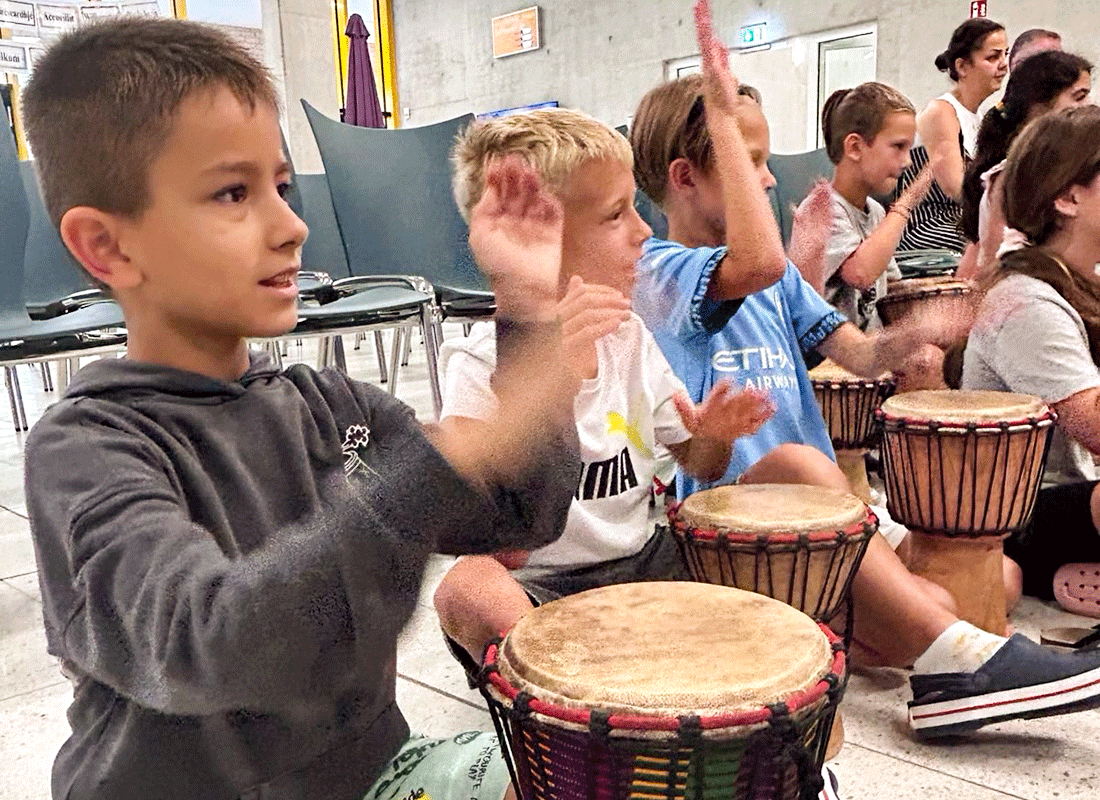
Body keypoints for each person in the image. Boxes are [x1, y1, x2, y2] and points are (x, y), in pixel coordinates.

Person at [20, 18, 584, 800]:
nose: (292, 227)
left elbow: (525, 513)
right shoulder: (86, 450)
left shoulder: (331, 409)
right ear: (109, 247)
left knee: (596, 766)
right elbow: (208, 647)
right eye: (232, 193)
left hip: (377, 778)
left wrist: (526, 311)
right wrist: (426, 474)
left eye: (281, 187)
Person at [629, 0, 1100, 739]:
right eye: (749, 163)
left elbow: (856, 353)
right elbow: (752, 261)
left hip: (825, 526)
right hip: (726, 519)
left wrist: (926, 332)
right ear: (686, 177)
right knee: (803, 466)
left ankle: (871, 642)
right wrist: (722, 112)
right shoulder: (655, 271)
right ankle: (948, 664)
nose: (769, 179)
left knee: (988, 581)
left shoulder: (775, 278)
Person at [433, 108, 775, 668]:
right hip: (543, 587)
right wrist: (550, 377)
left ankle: (649, 670)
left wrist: (713, 434)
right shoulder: (478, 362)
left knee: (746, 551)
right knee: (466, 587)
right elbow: (494, 537)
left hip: (644, 562)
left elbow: (702, 464)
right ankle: (570, 689)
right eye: (617, 215)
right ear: (537, 240)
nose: (644, 231)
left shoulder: (630, 337)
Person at [963, 105, 1100, 619]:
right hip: (1016, 517)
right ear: (1068, 198)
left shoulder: (1079, 282)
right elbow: (1094, 424)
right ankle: (1057, 573)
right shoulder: (1025, 300)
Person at [957, 50, 1093, 281]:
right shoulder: (1012, 177)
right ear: (1038, 107)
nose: (1090, 106)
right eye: (1079, 97)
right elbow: (996, 265)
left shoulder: (1063, 171)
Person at [895, 18, 1008, 253]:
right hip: (925, 223)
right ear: (962, 67)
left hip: (962, 219)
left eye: (1005, 54)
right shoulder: (942, 112)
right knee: (999, 246)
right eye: (993, 57)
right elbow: (955, 189)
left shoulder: (980, 118)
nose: (1004, 65)